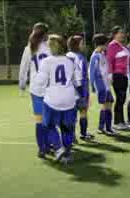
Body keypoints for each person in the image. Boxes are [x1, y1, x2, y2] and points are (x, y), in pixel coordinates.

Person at [33, 34, 83, 164]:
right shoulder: (70, 60)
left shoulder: (47, 61)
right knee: (67, 127)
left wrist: (38, 90)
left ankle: (58, 147)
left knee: (48, 125)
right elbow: (78, 81)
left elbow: (40, 82)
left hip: (52, 99)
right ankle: (67, 154)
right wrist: (81, 97)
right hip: (69, 98)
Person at [18, 22, 59, 158]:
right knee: (50, 120)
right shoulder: (50, 48)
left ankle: (42, 148)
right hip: (50, 88)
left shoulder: (29, 48)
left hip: (36, 88)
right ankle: (52, 145)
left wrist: (22, 85)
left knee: (39, 120)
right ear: (46, 34)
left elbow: (23, 69)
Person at [107, 26, 130, 130]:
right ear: (114, 34)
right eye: (120, 33)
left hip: (124, 76)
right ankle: (117, 122)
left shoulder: (122, 46)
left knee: (122, 99)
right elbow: (109, 61)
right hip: (117, 76)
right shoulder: (112, 46)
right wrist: (110, 74)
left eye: (123, 33)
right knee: (120, 99)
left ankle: (121, 121)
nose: (122, 35)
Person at [66, 35, 95, 141]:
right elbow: (80, 76)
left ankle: (71, 136)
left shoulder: (66, 56)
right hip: (79, 89)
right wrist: (82, 93)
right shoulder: (79, 57)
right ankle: (83, 133)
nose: (84, 45)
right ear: (77, 45)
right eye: (82, 43)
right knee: (83, 111)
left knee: (71, 115)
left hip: (67, 90)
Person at [90, 33, 116, 136]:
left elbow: (105, 69)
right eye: (106, 43)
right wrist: (92, 85)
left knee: (109, 103)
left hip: (106, 84)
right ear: (102, 44)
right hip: (101, 85)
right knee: (106, 105)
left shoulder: (102, 54)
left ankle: (106, 127)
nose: (107, 45)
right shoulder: (95, 56)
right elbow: (92, 72)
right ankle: (104, 127)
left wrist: (109, 77)